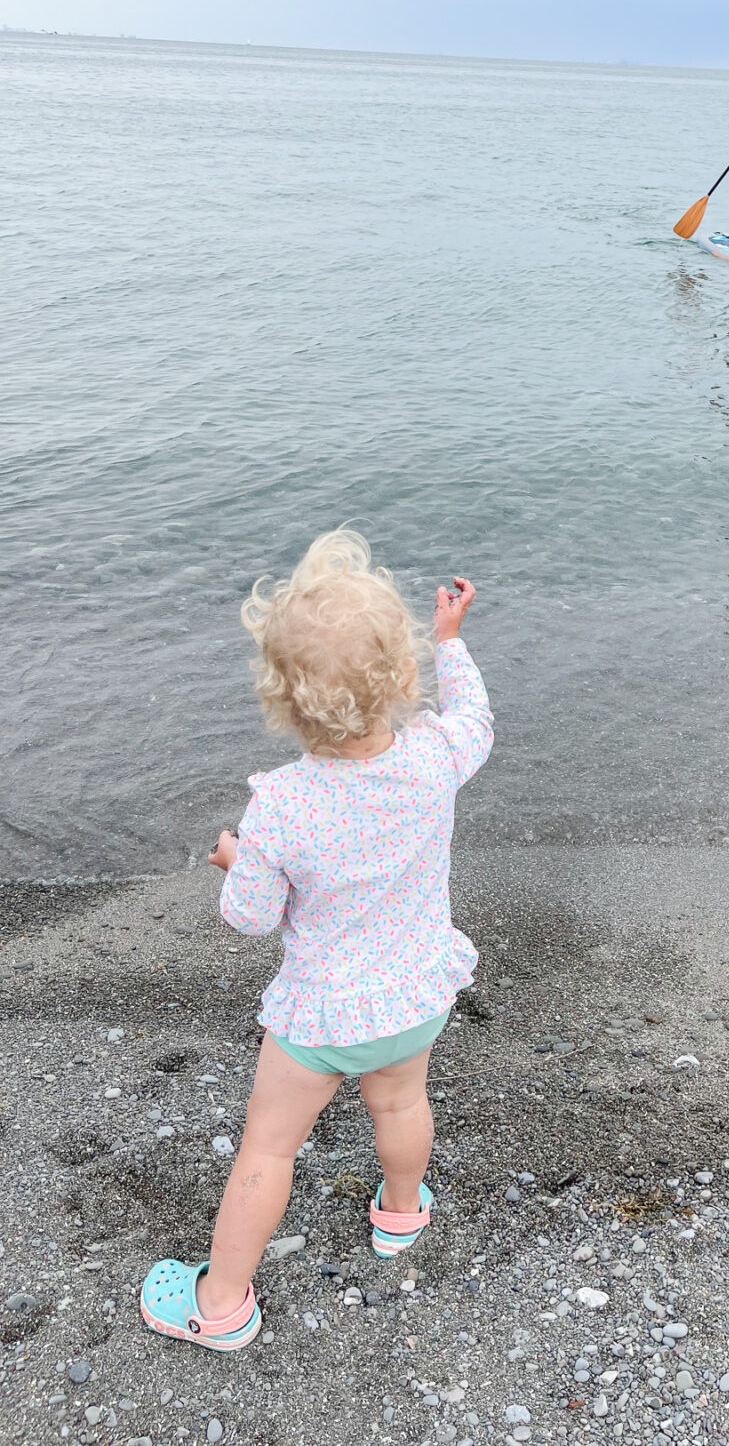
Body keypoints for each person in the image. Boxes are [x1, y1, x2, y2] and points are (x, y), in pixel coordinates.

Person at [139, 529, 492, 1352]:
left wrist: (236, 860)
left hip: (319, 1018)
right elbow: (473, 713)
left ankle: (220, 1303)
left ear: (281, 700)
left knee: (269, 1144)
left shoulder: (284, 807)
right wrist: (451, 640)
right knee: (401, 1102)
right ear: (401, 678)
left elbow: (252, 916)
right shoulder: (436, 757)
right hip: (414, 996)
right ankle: (400, 1214)